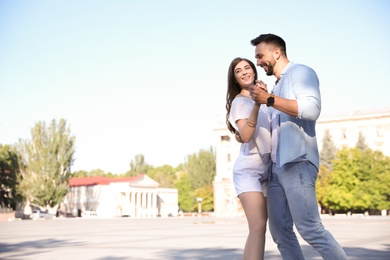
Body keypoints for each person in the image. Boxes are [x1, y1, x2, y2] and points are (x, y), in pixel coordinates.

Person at [248, 33, 348, 259]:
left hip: (297, 163)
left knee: (310, 229)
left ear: (276, 52)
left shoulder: (301, 72)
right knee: (281, 232)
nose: (257, 62)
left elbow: (312, 110)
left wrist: (270, 99)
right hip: (276, 171)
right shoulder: (276, 85)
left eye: (260, 56)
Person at [226, 57, 271, 260]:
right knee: (258, 225)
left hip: (269, 169)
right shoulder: (239, 102)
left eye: (247, 68)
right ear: (234, 79)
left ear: (254, 71)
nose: (244, 72)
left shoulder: (267, 97)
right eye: (238, 71)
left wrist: (264, 97)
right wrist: (256, 104)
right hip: (249, 170)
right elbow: (245, 135)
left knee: (263, 229)